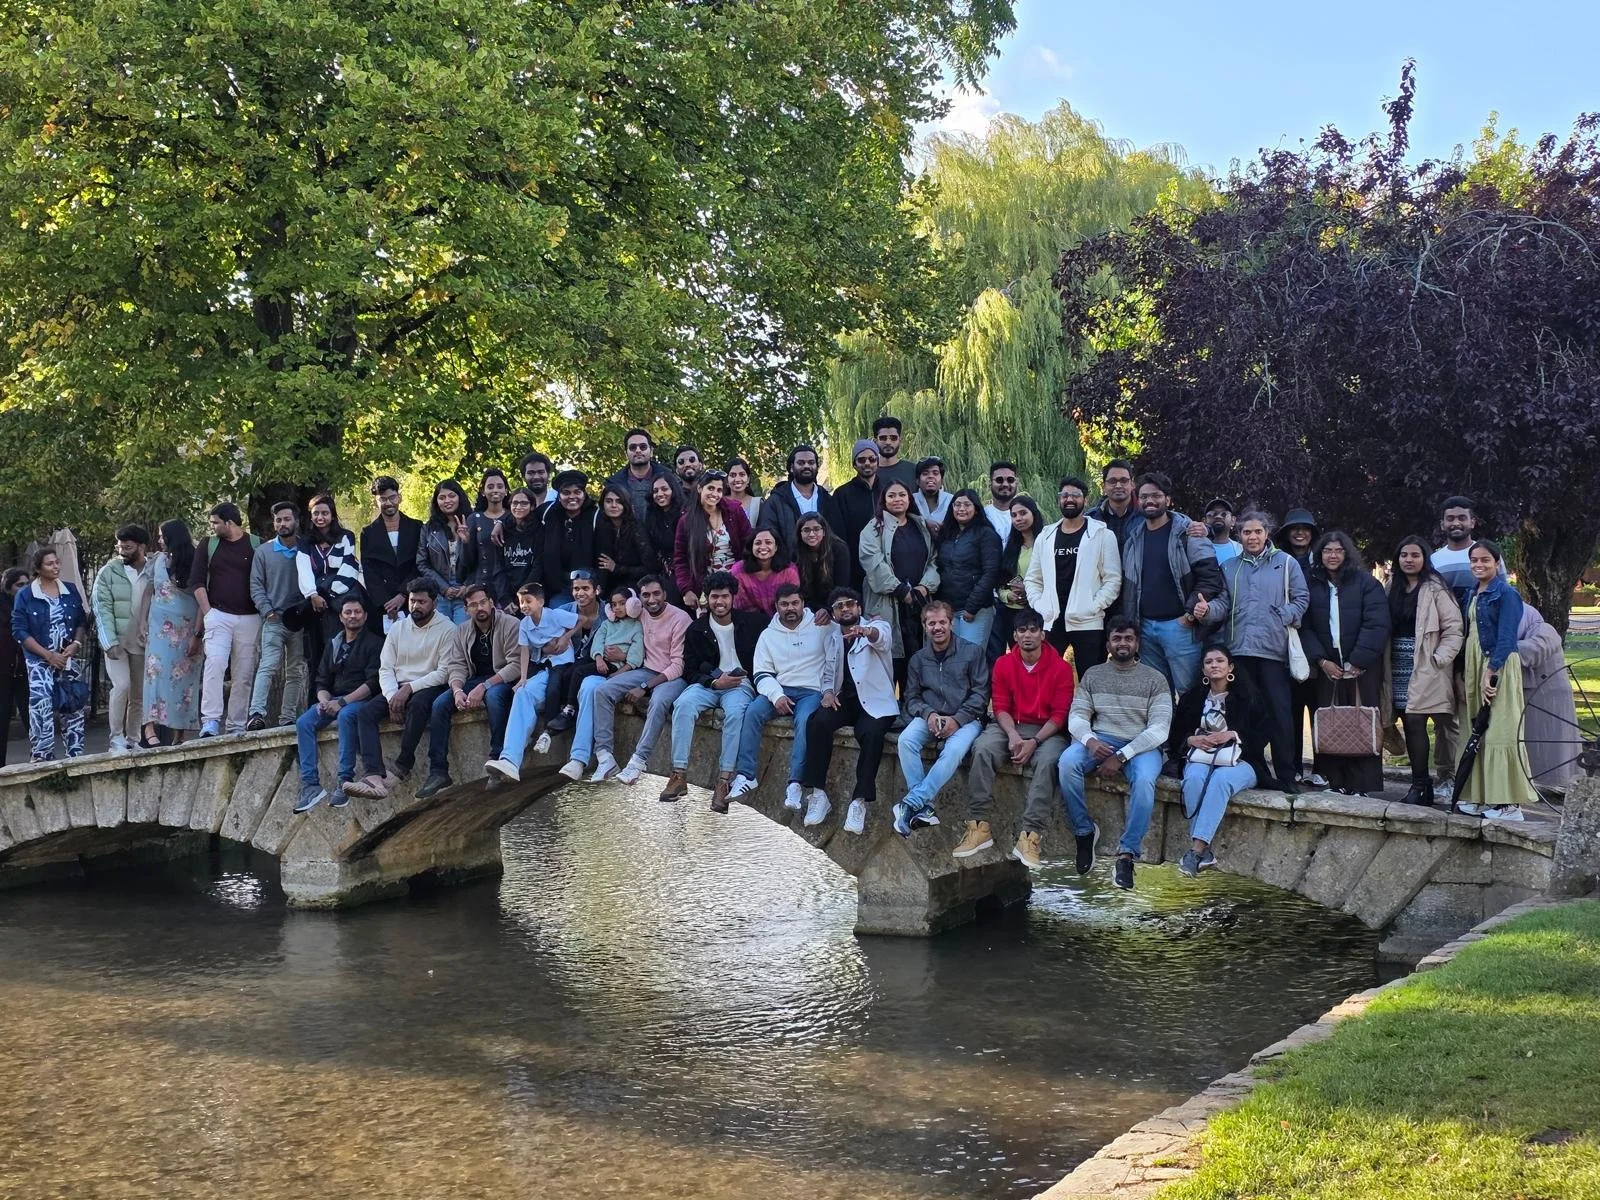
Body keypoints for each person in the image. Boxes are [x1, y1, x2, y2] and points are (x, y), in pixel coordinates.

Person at [952, 608, 1074, 867]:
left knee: (1049, 761)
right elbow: (1001, 707)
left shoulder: (1061, 668)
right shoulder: (1003, 664)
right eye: (1022, 630)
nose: (1027, 635)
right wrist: (1012, 736)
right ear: (1015, 636)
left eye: (1033, 630)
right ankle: (978, 826)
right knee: (982, 748)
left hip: (1046, 732)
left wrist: (1034, 742)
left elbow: (1060, 715)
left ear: (1043, 634)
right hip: (1009, 725)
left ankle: (1029, 836)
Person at [1059, 618, 1173, 890]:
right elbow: (1076, 716)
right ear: (1108, 643)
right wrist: (1089, 741)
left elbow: (1160, 729)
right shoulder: (1093, 675)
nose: (1123, 643)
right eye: (1117, 638)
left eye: (1128, 638)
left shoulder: (1155, 679)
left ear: (1137, 643)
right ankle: (1085, 832)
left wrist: (1122, 756)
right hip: (1100, 740)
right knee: (1066, 764)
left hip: (1141, 745)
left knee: (1145, 781)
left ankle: (1126, 854)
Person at [556, 576, 691, 783]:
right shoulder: (639, 614)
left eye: (656, 594)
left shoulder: (680, 618)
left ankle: (638, 761)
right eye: (645, 595)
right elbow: (616, 627)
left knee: (658, 702)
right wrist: (613, 656)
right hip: (645, 669)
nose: (651, 599)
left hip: (671, 676)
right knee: (602, 690)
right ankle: (605, 757)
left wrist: (644, 687)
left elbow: (678, 665)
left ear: (665, 594)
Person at [796, 588, 898, 834]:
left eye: (850, 604)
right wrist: (828, 693)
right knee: (817, 721)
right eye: (839, 606)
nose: (845, 609)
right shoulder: (833, 637)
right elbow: (829, 672)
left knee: (871, 733)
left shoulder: (878, 626)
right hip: (846, 700)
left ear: (859, 609)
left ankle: (859, 801)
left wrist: (866, 631)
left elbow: (881, 637)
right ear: (834, 614)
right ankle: (819, 793)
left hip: (875, 702)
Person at [1221, 512, 1310, 793]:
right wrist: (1205, 611)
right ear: (1239, 535)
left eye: (1257, 531)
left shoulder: (1285, 563)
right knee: (1246, 714)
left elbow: (1302, 598)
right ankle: (1253, 769)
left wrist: (1284, 615)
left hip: (1273, 651)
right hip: (1239, 650)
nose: (1252, 537)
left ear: (1266, 532)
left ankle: (1286, 774)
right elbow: (1222, 604)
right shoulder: (1230, 566)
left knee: (1280, 714)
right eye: (1247, 532)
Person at [728, 583, 838, 808]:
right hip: (780, 688)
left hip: (811, 690)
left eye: (795, 603)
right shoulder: (768, 635)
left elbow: (842, 636)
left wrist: (829, 614)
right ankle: (746, 775)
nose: (790, 608)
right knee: (752, 712)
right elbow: (761, 672)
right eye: (784, 604)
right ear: (776, 606)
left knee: (805, 720)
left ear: (803, 604)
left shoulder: (821, 625)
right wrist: (776, 695)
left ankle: (795, 784)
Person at [1118, 473, 1227, 697]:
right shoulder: (1134, 539)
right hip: (1146, 629)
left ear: (1168, 500)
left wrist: (1189, 616)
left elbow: (1210, 578)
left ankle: (1191, 733)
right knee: (1158, 696)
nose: (1150, 501)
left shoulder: (1189, 533)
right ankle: (1167, 734)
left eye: (1156, 496)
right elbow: (1129, 588)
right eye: (1144, 496)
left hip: (1180, 628)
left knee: (1189, 692)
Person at [1167, 646, 1272, 877]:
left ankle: (1196, 851)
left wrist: (1233, 735)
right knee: (1193, 778)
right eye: (1209, 662)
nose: (1214, 665)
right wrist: (1191, 739)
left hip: (1243, 761)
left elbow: (1264, 735)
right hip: (1201, 757)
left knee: (1220, 780)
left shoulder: (1249, 697)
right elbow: (1174, 737)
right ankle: (1204, 854)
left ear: (1230, 667)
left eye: (1220, 661)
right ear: (1203, 669)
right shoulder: (1192, 698)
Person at [663, 571, 764, 810]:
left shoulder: (752, 623)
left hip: (741, 685)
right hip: (709, 685)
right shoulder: (697, 628)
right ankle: (678, 776)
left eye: (724, 597)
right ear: (707, 599)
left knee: (736, 715)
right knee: (683, 705)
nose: (719, 602)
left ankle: (724, 782)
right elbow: (690, 669)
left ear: (733, 598)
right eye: (714, 597)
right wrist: (713, 682)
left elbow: (782, 627)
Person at [346, 579, 455, 799]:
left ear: (434, 602)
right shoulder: (398, 628)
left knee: (419, 704)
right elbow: (385, 668)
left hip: (429, 684)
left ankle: (402, 766)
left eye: (421, 602)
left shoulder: (448, 629)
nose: (415, 606)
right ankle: (374, 775)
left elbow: (444, 672)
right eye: (412, 601)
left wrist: (409, 689)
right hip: (396, 688)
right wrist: (390, 696)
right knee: (365, 713)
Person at [1300, 531, 1390, 796]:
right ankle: (1334, 780)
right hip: (1328, 667)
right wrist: (1322, 660)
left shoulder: (1366, 584)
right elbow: (1304, 626)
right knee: (1332, 721)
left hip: (1362, 667)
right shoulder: (1311, 584)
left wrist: (1358, 661)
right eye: (1327, 551)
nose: (1333, 556)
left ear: (1346, 553)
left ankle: (1361, 784)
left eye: (1338, 551)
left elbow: (1377, 623)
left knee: (1362, 720)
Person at [1456, 541, 1538, 820]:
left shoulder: (1506, 593)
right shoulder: (1472, 593)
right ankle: (1483, 796)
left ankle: (1508, 804)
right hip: (1475, 662)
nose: (1479, 565)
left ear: (1497, 562)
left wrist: (1491, 671)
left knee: (1502, 729)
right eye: (1474, 560)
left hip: (1497, 663)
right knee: (1480, 729)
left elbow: (1506, 637)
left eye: (1485, 560)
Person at [1430, 496, 1504, 803]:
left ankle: (1482, 779)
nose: (1456, 523)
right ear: (1443, 524)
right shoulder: (1434, 559)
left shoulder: (1487, 556)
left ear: (1473, 522)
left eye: (1462, 517)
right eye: (1450, 518)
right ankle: (1446, 777)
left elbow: (1503, 601)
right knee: (1446, 717)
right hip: (1445, 647)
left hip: (1481, 647)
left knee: (1480, 713)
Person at [1382, 535, 1465, 806]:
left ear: (1424, 558)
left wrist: (1440, 658)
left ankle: (1446, 779)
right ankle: (1420, 785)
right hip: (1397, 665)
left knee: (1438, 723)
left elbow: (1454, 628)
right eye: (1404, 555)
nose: (1409, 560)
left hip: (1428, 664)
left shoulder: (1436, 588)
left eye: (1415, 555)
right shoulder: (1391, 586)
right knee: (1411, 724)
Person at [893, 602, 989, 836]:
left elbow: (981, 693)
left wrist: (957, 720)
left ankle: (910, 803)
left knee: (954, 751)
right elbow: (911, 697)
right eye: (932, 623)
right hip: (930, 715)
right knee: (905, 740)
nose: (938, 627)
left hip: (966, 718)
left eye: (942, 622)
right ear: (925, 626)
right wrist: (929, 714)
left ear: (951, 623)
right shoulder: (918, 659)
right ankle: (923, 808)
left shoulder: (972, 652)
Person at [419, 584, 523, 798]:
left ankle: (497, 760)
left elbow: (516, 666)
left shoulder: (511, 624)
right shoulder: (462, 630)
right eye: (473, 605)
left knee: (494, 697)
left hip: (501, 678)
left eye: (483, 602)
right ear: (466, 609)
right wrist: (457, 690)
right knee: (439, 704)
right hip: (472, 680)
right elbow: (456, 666)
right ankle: (438, 771)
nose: (479, 608)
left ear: (491, 602)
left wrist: (484, 687)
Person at [290, 595, 383, 814]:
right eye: (348, 612)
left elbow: (373, 683)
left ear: (365, 615)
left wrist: (341, 702)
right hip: (332, 700)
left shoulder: (375, 643)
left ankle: (344, 781)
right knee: (304, 722)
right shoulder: (334, 643)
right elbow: (321, 681)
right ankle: (310, 785)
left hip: (359, 701)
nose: (353, 616)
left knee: (346, 716)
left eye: (357, 612)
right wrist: (324, 702)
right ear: (341, 617)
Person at [482, 582, 583, 784]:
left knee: (552, 689)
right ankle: (509, 759)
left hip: (563, 666)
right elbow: (525, 652)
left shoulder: (554, 615)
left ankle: (547, 732)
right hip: (543, 666)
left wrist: (565, 638)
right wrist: (522, 678)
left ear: (541, 602)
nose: (525, 605)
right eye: (521, 602)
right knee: (522, 692)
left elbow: (582, 621)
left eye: (529, 601)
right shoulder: (525, 624)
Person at [1024, 475, 1121, 670]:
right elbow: (1033, 579)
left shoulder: (1101, 534)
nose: (1069, 499)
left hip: (1088, 622)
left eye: (1075, 495)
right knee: (1046, 679)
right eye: (1065, 495)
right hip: (1051, 620)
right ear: (1059, 499)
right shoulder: (1046, 536)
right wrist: (1040, 605)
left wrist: (1092, 606)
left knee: (1090, 681)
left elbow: (1113, 580)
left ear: (1085, 500)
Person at [858, 479, 938, 689]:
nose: (897, 499)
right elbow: (873, 561)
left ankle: (913, 708)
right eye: (891, 495)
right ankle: (887, 714)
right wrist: (902, 590)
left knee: (918, 657)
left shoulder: (919, 525)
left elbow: (934, 560)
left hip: (918, 603)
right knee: (892, 659)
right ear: (884, 500)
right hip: (888, 602)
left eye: (902, 495)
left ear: (909, 498)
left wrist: (924, 587)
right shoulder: (874, 528)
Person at [192, 502, 262, 737]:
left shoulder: (256, 545)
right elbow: (197, 581)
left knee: (243, 673)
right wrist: (208, 612)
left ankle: (236, 724)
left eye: (215, 523)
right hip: (218, 614)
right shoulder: (208, 545)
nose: (211, 527)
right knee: (215, 664)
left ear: (229, 523)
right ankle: (210, 721)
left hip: (250, 617)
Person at [540, 579, 640, 745]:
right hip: (601, 662)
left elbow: (636, 657)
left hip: (618, 668)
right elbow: (597, 644)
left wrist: (618, 672)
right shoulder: (608, 623)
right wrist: (599, 657)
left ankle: (569, 710)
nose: (618, 608)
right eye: (614, 605)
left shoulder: (636, 627)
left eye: (622, 604)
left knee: (580, 673)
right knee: (571, 671)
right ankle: (557, 720)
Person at [12, 547, 89, 761]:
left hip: (68, 658)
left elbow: (81, 621)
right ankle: (42, 757)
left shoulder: (70, 589)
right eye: (49, 564)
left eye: (56, 562)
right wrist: (47, 655)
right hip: (39, 659)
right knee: (41, 706)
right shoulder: (26, 595)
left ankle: (76, 756)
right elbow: (19, 629)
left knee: (73, 705)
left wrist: (75, 644)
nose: (55, 567)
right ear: (38, 568)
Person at [137, 520, 202, 745]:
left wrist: (198, 634)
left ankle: (180, 731)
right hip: (159, 628)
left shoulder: (196, 561)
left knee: (184, 679)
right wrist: (142, 621)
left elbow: (203, 598)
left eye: (162, 536)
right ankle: (149, 727)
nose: (159, 540)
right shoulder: (157, 561)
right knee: (154, 672)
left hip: (187, 628)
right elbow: (148, 591)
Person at [245, 502, 308, 732]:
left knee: (296, 671)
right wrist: (267, 611)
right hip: (273, 619)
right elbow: (256, 585)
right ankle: (256, 714)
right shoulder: (263, 552)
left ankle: (288, 717)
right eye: (278, 520)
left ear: (296, 521)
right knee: (268, 666)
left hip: (301, 621)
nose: (282, 524)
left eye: (287, 519)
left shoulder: (306, 549)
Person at [297, 493, 365, 686]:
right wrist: (313, 595)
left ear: (332, 515)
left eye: (325, 513)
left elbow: (349, 566)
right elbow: (303, 569)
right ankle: (318, 694)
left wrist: (330, 595)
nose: (320, 517)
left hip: (342, 596)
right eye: (316, 513)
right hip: (315, 599)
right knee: (317, 649)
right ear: (310, 516)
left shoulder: (346, 537)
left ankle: (344, 687)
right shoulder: (305, 542)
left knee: (341, 641)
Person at [92, 525, 150, 753]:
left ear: (141, 546)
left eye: (127, 546)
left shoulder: (153, 569)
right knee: (122, 686)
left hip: (143, 642)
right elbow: (101, 607)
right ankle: (116, 738)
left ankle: (133, 740)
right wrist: (109, 641)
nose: (122, 550)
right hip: (116, 641)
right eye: (120, 545)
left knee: (138, 694)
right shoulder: (108, 571)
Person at [1276, 506, 1321, 782]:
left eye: (1305, 528)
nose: (1300, 533)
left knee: (1318, 709)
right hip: (1286, 640)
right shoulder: (1278, 561)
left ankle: (1321, 768)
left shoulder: (1322, 561)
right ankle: (1291, 766)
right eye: (1295, 528)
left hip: (1317, 642)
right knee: (1289, 710)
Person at [1516, 603, 1582, 790]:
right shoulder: (1528, 629)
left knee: (1555, 743)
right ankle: (1534, 782)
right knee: (1534, 741)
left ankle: (1559, 784)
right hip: (1532, 693)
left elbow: (1534, 651)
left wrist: (1504, 648)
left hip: (1550, 695)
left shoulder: (1545, 630)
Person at [935, 488, 1002, 651]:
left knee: (970, 660)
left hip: (975, 611)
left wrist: (971, 607)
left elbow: (991, 573)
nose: (961, 509)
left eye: (967, 504)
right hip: (949, 609)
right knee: (951, 659)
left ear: (976, 508)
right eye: (957, 505)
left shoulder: (986, 534)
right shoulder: (947, 535)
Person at [674, 472, 752, 613]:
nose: (714, 494)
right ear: (699, 489)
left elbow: (749, 545)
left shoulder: (734, 512)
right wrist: (686, 590)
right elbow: (681, 560)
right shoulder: (686, 521)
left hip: (737, 583)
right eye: (710, 488)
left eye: (719, 490)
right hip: (706, 588)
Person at [359, 476, 424, 633]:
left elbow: (420, 563)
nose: (388, 503)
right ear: (376, 501)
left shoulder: (417, 527)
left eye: (392, 497)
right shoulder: (368, 532)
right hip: (383, 604)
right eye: (383, 499)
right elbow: (369, 570)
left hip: (412, 597)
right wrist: (386, 601)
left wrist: (403, 593)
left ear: (399, 497)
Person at [757, 444, 840, 556]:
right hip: (788, 566)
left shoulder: (828, 500)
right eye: (801, 463)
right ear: (791, 467)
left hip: (824, 566)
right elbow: (768, 536)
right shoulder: (776, 501)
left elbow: (837, 536)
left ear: (817, 466)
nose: (806, 466)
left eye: (811, 463)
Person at [417, 479, 477, 625]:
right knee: (440, 638)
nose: (447, 501)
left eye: (451, 496)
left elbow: (482, 560)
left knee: (461, 638)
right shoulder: (429, 528)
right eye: (442, 498)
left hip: (467, 591)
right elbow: (422, 563)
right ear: (436, 502)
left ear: (459, 497)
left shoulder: (473, 522)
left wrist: (467, 585)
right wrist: (443, 588)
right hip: (440, 592)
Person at [992, 495, 1043, 660]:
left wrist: (1030, 594)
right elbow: (1000, 583)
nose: (1018, 518)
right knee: (1018, 660)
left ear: (1033, 514)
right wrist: (1008, 595)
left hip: (1039, 612)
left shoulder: (1046, 543)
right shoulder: (1011, 548)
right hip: (1012, 614)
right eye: (1014, 515)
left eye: (1023, 513)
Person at [541, 470, 599, 608]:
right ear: (559, 496)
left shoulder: (596, 516)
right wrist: (501, 523)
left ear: (584, 494)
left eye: (577, 492)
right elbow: (521, 517)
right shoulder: (548, 514)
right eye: (566, 492)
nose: (572, 496)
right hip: (559, 588)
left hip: (588, 587)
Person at [832, 439, 883, 584]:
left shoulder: (888, 490)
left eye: (872, 459)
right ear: (854, 464)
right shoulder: (842, 494)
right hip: (855, 567)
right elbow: (837, 535)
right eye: (861, 459)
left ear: (878, 462)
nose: (867, 463)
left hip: (887, 564)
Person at [593, 483, 652, 597]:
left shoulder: (637, 528)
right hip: (608, 585)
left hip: (636, 585)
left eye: (619, 501)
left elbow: (650, 568)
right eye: (609, 501)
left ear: (626, 504)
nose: (614, 505)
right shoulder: (600, 528)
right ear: (603, 504)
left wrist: (617, 568)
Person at [607, 429, 677, 521]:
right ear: (626, 453)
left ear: (651, 451)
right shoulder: (613, 484)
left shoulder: (670, 480)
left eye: (643, 447)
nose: (638, 451)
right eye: (633, 447)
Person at [730, 528, 799, 618]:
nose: (763, 547)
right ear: (751, 547)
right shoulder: (738, 571)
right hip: (751, 621)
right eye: (758, 543)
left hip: (784, 620)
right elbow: (743, 606)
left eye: (768, 542)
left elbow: (792, 602)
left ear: (776, 547)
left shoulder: (789, 570)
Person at [792, 513, 852, 614]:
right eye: (806, 530)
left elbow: (842, 586)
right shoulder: (795, 552)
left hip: (835, 605)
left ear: (824, 531)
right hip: (806, 608)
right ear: (800, 533)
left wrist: (827, 610)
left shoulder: (839, 549)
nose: (811, 534)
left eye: (816, 529)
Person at [496, 488, 545, 606]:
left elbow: (538, 567)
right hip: (506, 595)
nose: (518, 506)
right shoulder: (503, 530)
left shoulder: (540, 531)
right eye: (515, 503)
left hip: (530, 595)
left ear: (532, 506)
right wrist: (505, 599)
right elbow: (498, 567)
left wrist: (521, 596)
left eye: (524, 503)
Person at [465, 468, 510, 596]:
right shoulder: (474, 519)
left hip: (508, 585)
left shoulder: (513, 517)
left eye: (500, 486)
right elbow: (468, 562)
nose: (495, 490)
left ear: (506, 491)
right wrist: (465, 542)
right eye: (490, 487)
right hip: (481, 585)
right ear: (483, 492)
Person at [0, 568, 28, 764]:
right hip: (3, 671)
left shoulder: (28, 605)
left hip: (24, 670)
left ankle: (41, 758)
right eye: (19, 585)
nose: (24, 589)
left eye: (26, 584)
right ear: (8, 587)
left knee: (32, 717)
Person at [643, 475, 685, 588]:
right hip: (663, 573)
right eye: (655, 491)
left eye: (664, 489)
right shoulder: (651, 515)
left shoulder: (685, 513)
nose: (660, 494)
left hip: (686, 570)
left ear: (674, 490)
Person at [1088, 459, 1136, 546]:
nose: (1118, 486)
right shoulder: (1091, 519)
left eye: (1124, 480)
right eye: (1112, 481)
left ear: (1132, 484)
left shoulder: (1145, 517)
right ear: (1103, 486)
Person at [873, 415, 918, 491]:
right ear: (875, 441)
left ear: (900, 441)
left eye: (893, 438)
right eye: (883, 438)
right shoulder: (869, 472)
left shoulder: (914, 471)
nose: (888, 442)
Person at [912, 456, 953, 535]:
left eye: (935, 473)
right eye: (925, 473)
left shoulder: (952, 500)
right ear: (917, 481)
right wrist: (924, 523)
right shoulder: (910, 500)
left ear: (941, 480)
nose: (931, 476)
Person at [1199, 499, 1241, 565]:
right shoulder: (1197, 548)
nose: (1218, 516)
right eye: (1212, 514)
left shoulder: (1241, 550)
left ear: (1233, 520)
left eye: (1224, 514)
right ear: (1204, 521)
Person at [984, 462, 1018, 541]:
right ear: (990, 483)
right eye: (999, 480)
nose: (1005, 484)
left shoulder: (1027, 516)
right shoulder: (981, 516)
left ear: (1016, 483)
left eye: (1010, 480)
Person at [725, 457, 763, 528]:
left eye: (742, 474)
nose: (737, 479)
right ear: (726, 480)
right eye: (733, 475)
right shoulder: (719, 502)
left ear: (748, 479)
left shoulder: (758, 504)